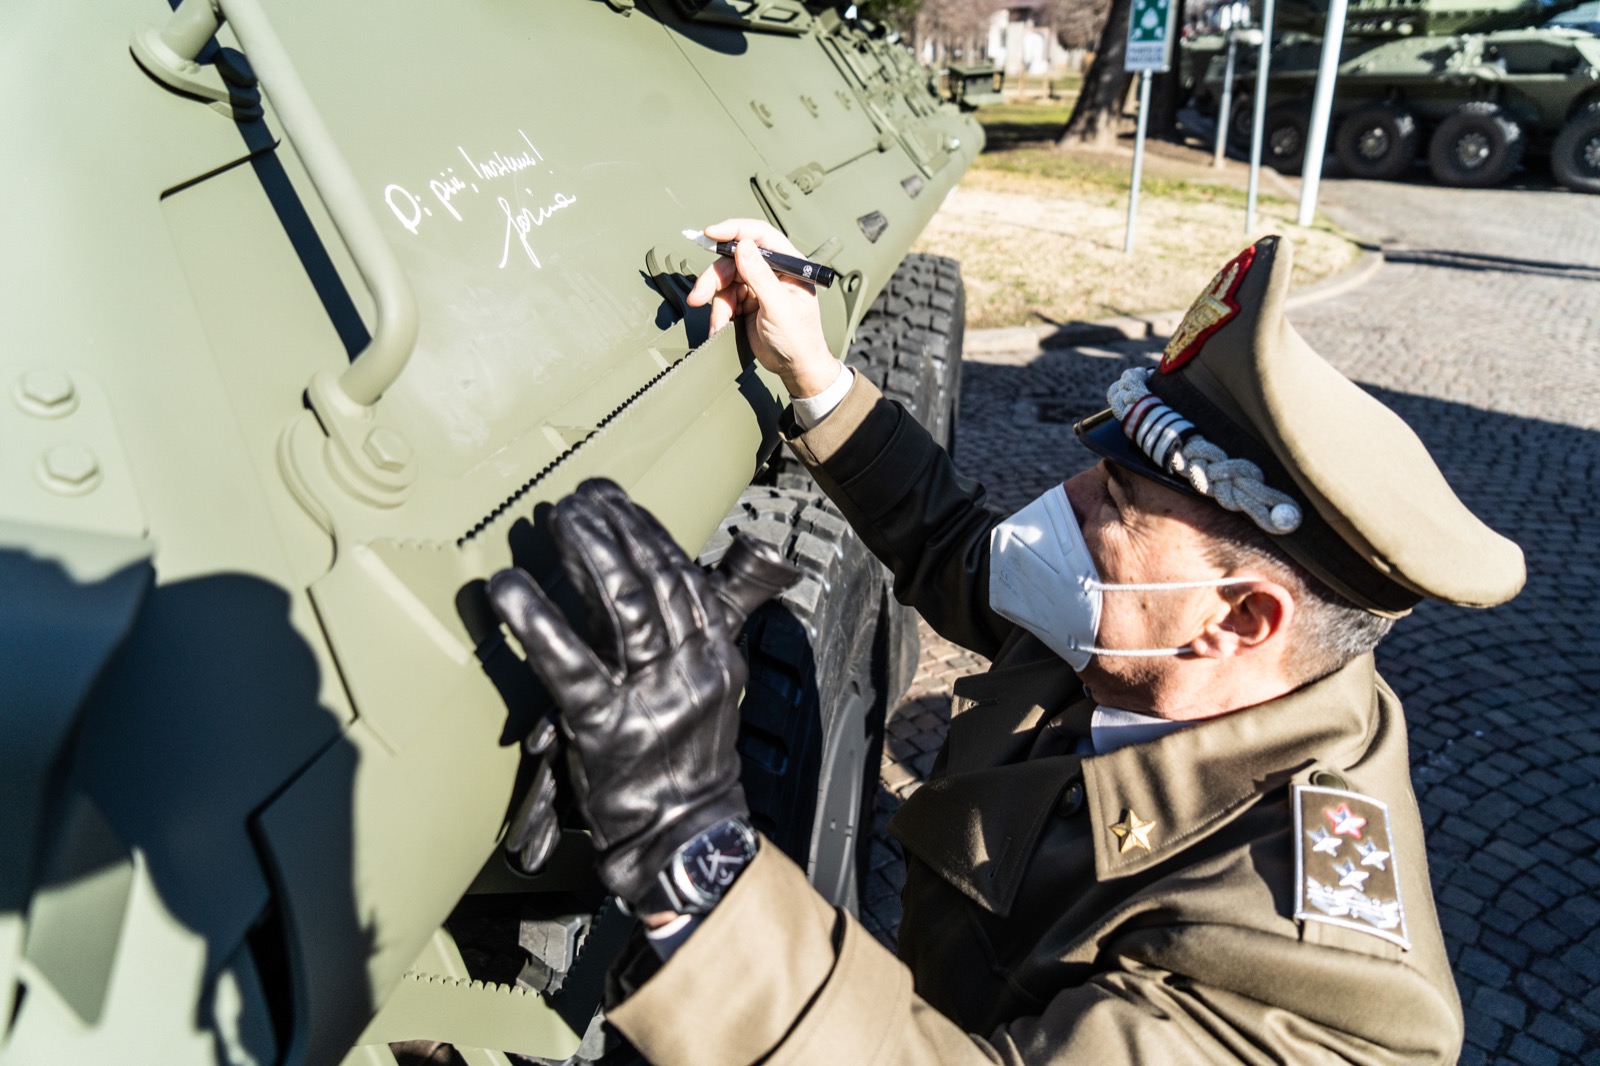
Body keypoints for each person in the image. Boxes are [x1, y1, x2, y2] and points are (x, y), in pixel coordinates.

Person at [487, 222, 1525, 1064]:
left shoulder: (1319, 998)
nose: (1059, 506)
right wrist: (812, 370)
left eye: (1114, 503)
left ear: (1240, 619)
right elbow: (953, 553)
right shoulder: (1149, 644)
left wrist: (696, 850)